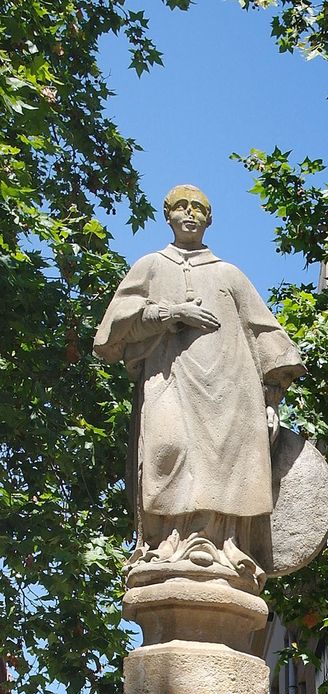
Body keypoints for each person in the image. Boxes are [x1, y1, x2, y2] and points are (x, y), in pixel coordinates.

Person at [93, 184, 305, 584]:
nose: (190, 214)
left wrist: (271, 399)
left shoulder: (228, 274)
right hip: (167, 378)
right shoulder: (151, 266)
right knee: (166, 448)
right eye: (181, 207)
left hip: (230, 390)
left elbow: (268, 337)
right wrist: (168, 313)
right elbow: (110, 331)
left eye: (199, 209)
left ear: (209, 219)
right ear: (167, 214)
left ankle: (219, 545)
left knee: (224, 462)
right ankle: (166, 542)